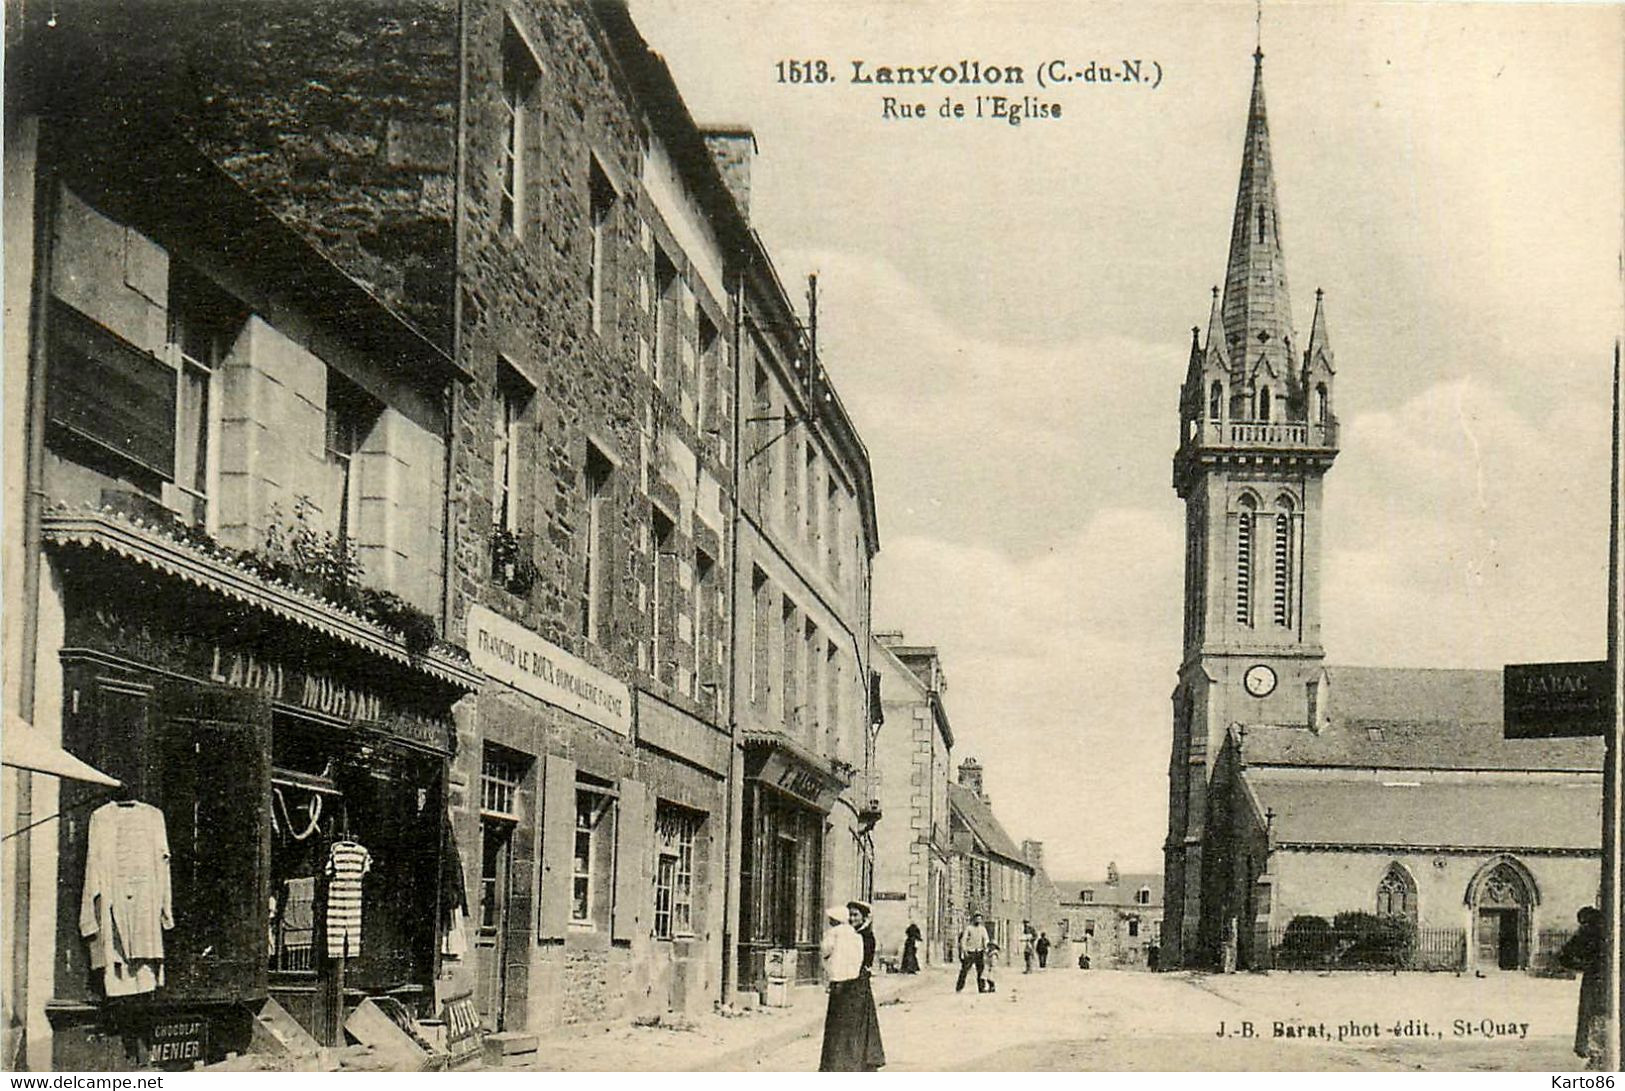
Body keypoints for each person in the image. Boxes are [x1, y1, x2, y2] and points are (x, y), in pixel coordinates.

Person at [819, 903, 886, 1071]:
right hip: (849, 983)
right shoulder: (851, 934)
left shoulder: (865, 936)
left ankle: (850, 1061)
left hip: (857, 985)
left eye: (856, 915)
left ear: (864, 918)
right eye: (850, 915)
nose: (852, 918)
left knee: (851, 1024)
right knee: (844, 1023)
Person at [1558, 907, 1606, 1068]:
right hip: (1597, 979)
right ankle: (1596, 1054)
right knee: (1595, 1014)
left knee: (1594, 1014)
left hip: (1595, 980)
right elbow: (1565, 955)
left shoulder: (1590, 930)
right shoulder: (1593, 930)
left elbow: (1564, 956)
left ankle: (1595, 1053)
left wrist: (1584, 965)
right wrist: (1587, 965)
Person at [955, 912, 990, 993]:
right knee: (964, 970)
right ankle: (959, 987)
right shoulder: (969, 928)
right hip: (970, 952)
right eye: (977, 918)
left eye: (980, 919)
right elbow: (963, 940)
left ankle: (981, 988)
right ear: (974, 919)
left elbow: (985, 939)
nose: (978, 920)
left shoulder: (982, 929)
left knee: (981, 971)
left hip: (979, 952)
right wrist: (964, 950)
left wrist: (986, 948)